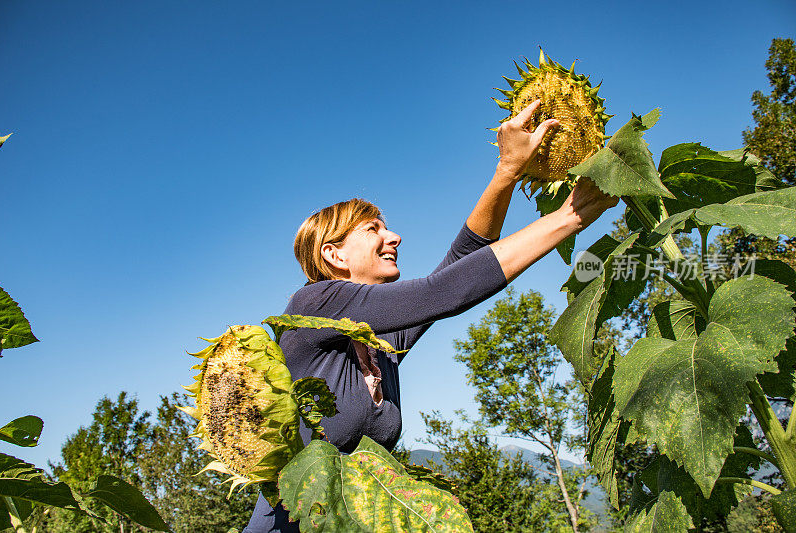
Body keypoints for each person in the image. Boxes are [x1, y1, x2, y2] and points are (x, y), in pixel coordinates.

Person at [243, 101, 618, 532]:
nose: (394, 236)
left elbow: (462, 260)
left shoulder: (379, 342)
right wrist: (570, 216)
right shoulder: (314, 305)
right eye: (373, 230)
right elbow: (441, 293)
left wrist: (508, 170)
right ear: (334, 255)